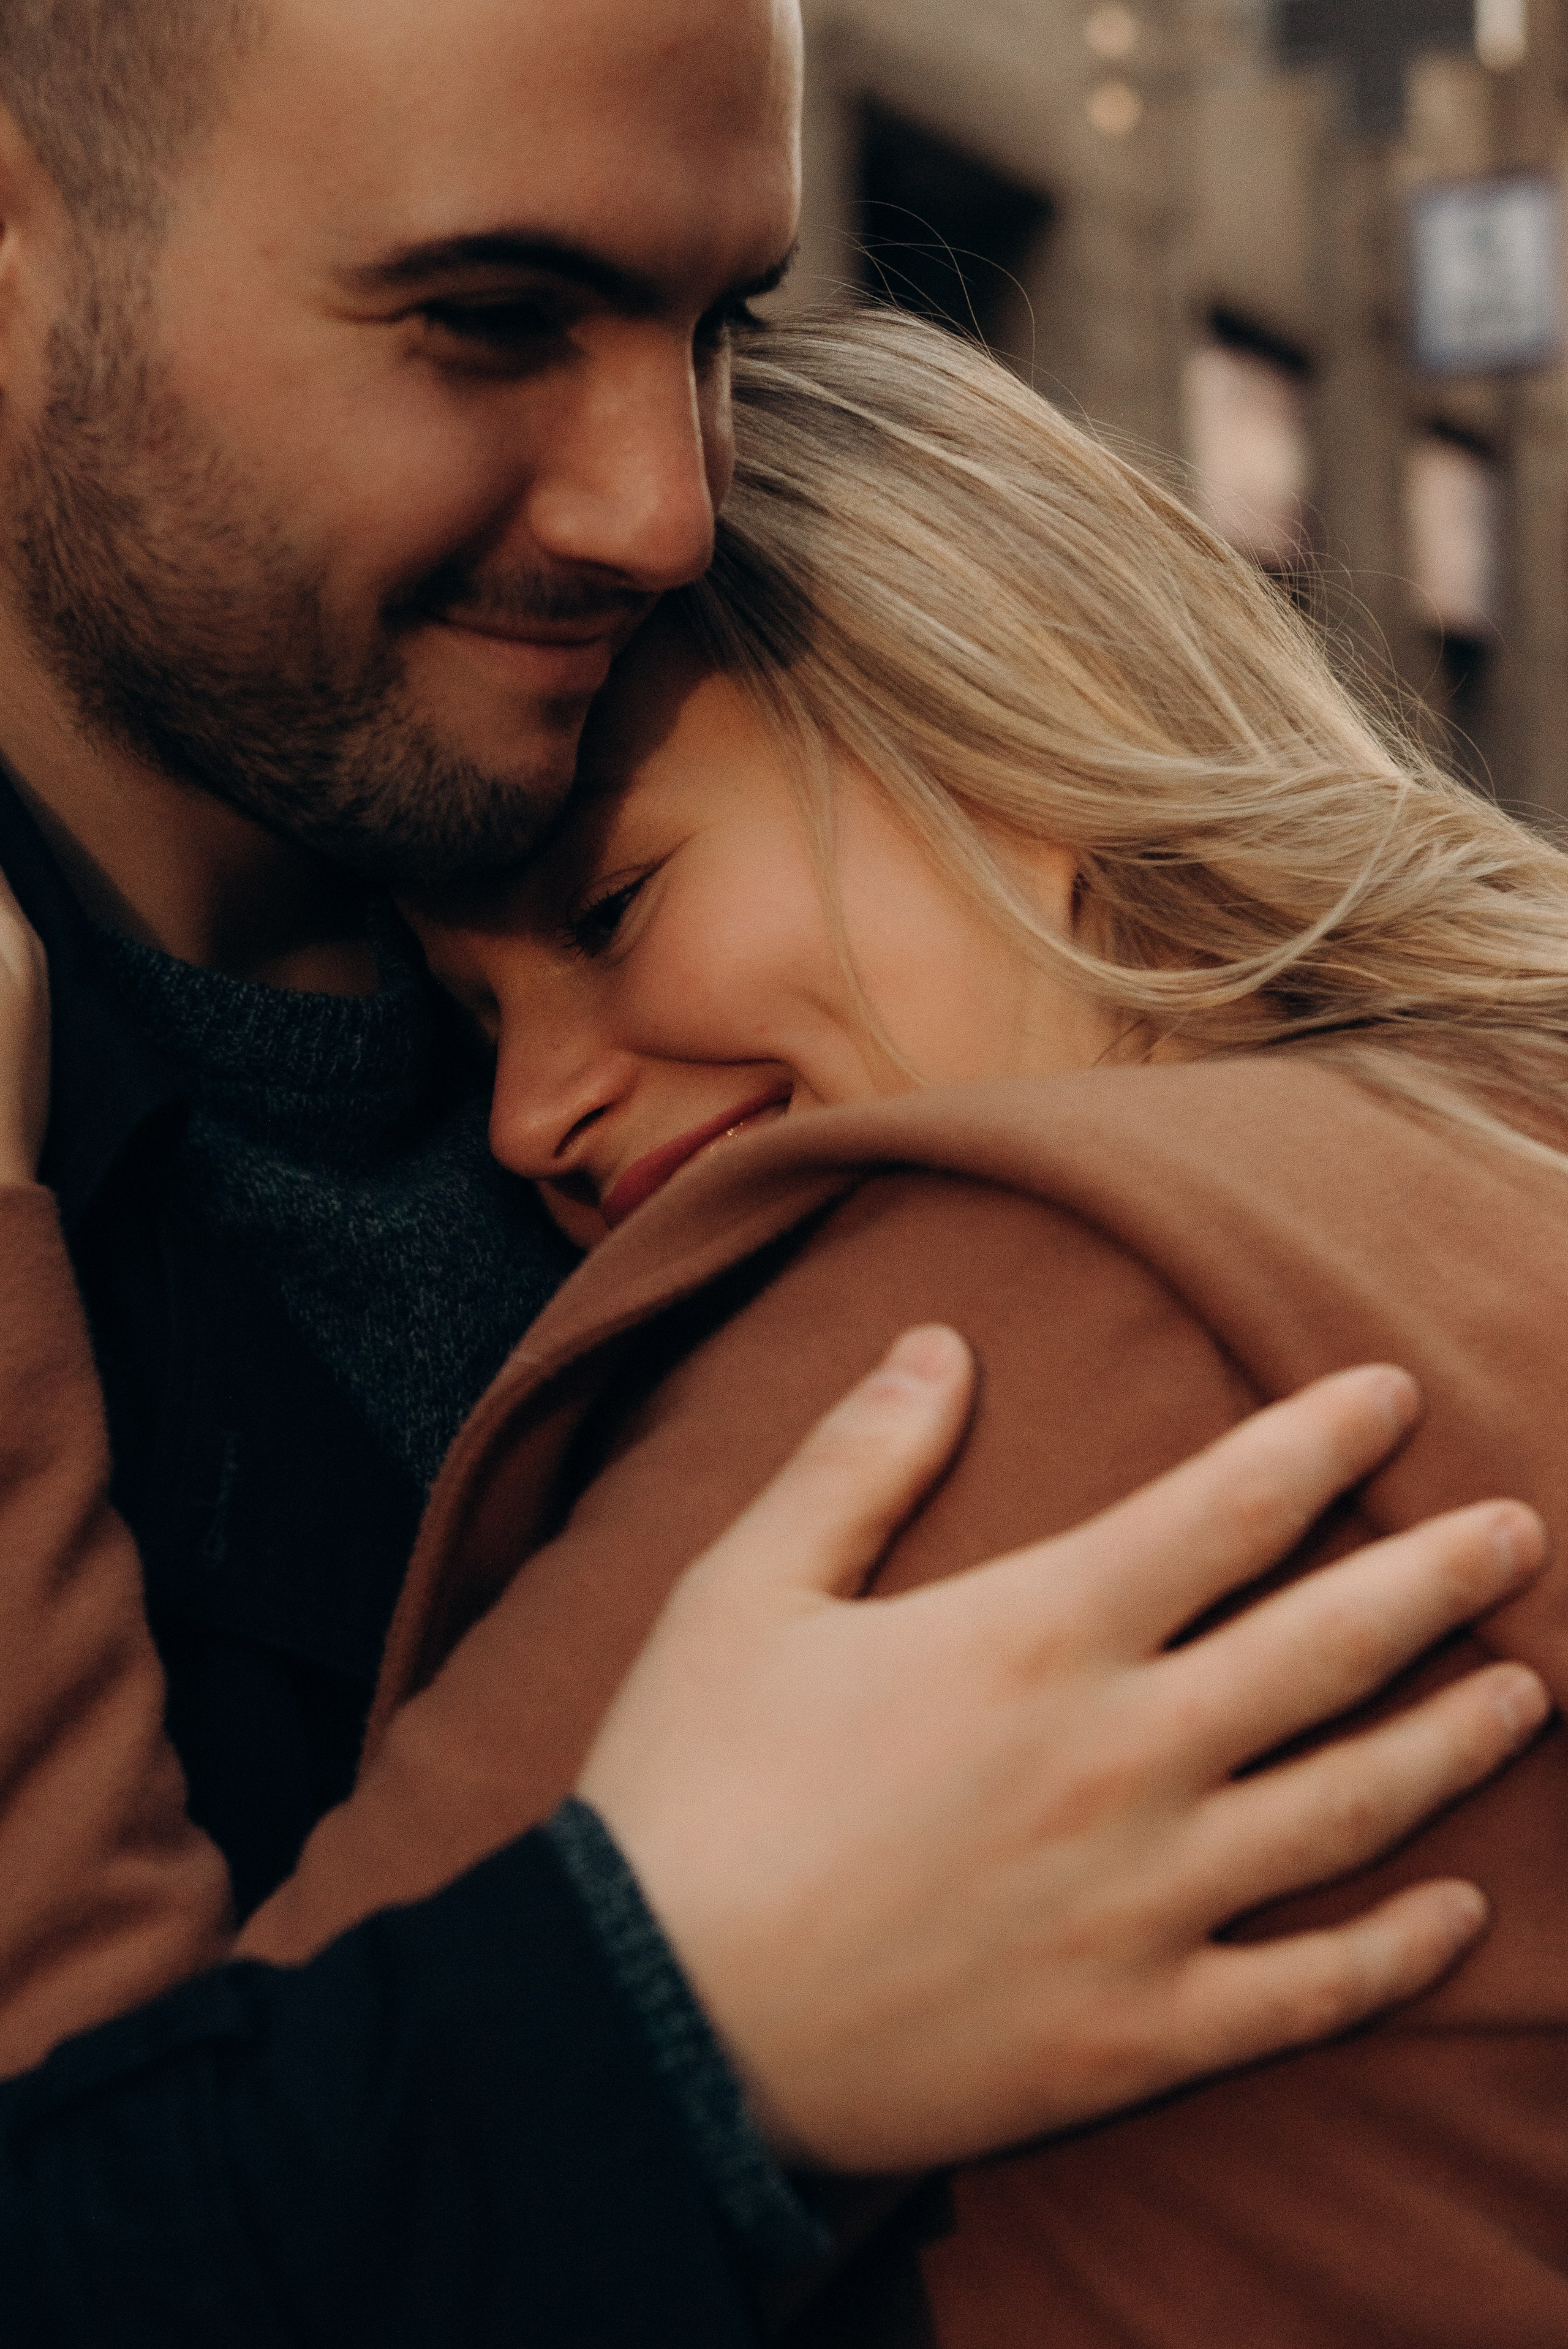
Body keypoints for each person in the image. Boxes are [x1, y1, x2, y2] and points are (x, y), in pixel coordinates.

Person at [0, 2, 1549, 2339]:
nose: (667, 506)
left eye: (727, 320)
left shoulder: (1005, 1298)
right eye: (493, 315)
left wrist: (655, 2019)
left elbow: (138, 2197)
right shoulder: (1455, 1144)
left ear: (1015, 728)